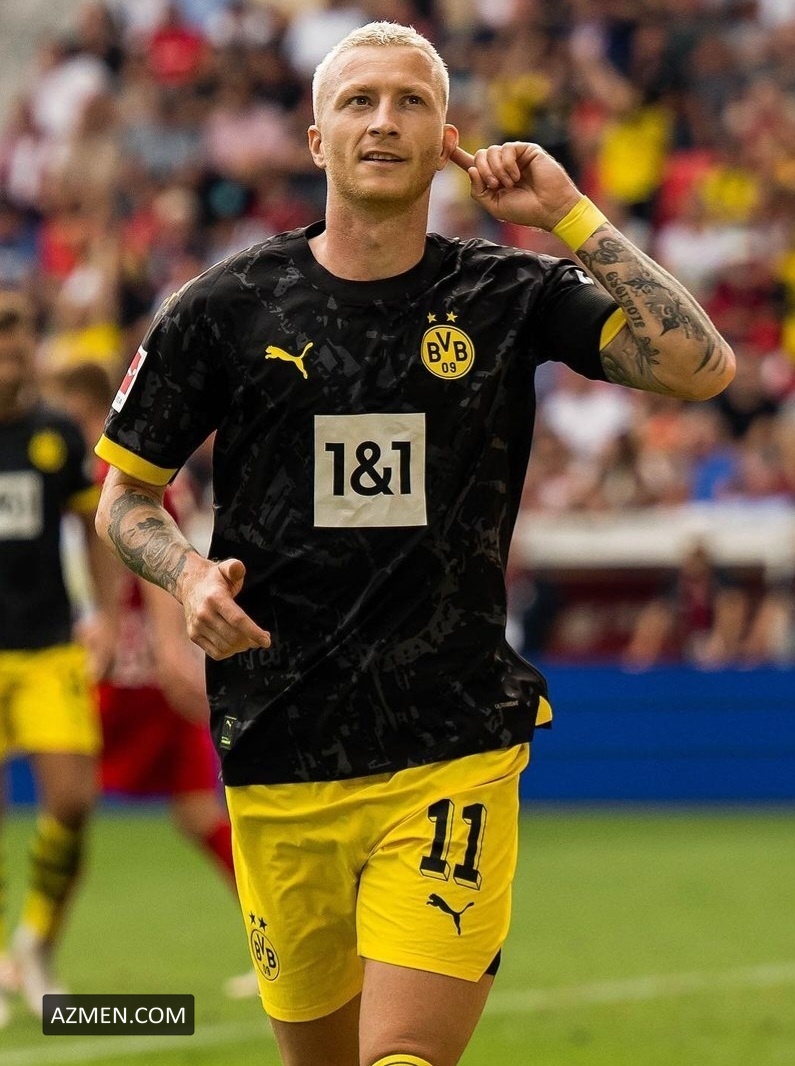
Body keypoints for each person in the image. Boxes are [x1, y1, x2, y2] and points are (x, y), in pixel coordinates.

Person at [93, 22, 735, 1066]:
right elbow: (125, 498)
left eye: (410, 102)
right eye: (358, 101)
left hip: (453, 742)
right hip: (279, 744)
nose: (383, 121)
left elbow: (700, 368)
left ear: (446, 138)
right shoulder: (222, 308)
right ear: (317, 139)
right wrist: (187, 575)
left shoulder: (506, 293)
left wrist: (568, 215)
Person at [47, 361, 258, 999]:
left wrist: (169, 650)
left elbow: (159, 562)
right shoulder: (132, 470)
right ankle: (32, 954)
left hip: (127, 673)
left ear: (85, 409)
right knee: (186, 814)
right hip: (128, 669)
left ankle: (30, 952)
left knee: (75, 807)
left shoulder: (116, 473)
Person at [0, 292, 114, 1025]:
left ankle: (34, 944)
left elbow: (93, 526)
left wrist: (103, 614)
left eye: (18, 336)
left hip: (47, 647)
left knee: (71, 801)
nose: (10, 350)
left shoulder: (55, 434)